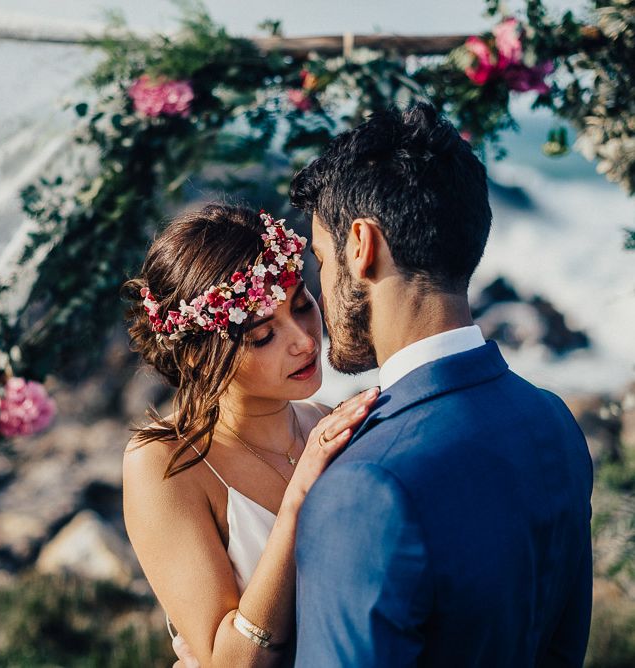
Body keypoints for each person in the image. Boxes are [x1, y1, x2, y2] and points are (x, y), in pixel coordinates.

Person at [288, 101, 594, 666]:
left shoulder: (365, 487)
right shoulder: (553, 422)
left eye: (323, 259)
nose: (320, 288)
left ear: (362, 246)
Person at [120, 204, 379, 667]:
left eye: (302, 305)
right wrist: (298, 499)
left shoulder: (330, 424)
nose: (303, 339)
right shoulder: (164, 463)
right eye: (263, 335)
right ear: (200, 355)